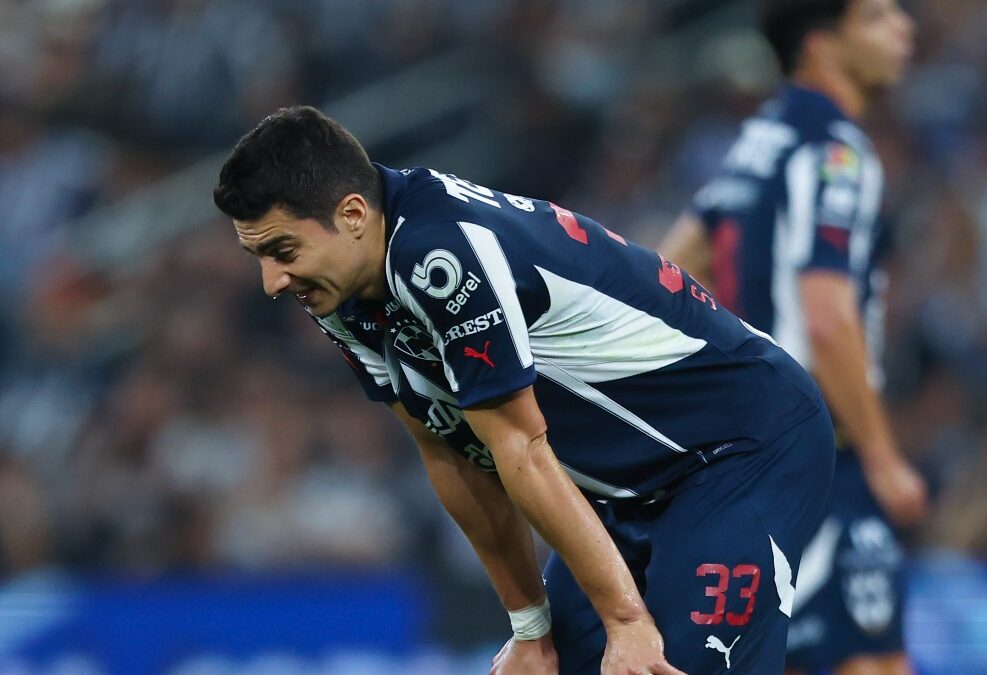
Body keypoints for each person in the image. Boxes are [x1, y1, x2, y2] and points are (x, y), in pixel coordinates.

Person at [214, 104, 835, 674]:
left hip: (741, 450)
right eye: (260, 258)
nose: (273, 281)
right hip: (630, 492)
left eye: (283, 250)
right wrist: (531, 630)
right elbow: (447, 451)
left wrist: (624, 621)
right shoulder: (340, 291)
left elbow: (522, 450)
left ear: (351, 214)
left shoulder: (441, 256)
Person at [659, 1, 928, 673]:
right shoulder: (836, 151)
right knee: (872, 663)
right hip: (822, 449)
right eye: (876, 17)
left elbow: (671, 266)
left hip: (753, 450)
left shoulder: (761, 138)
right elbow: (827, 316)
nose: (904, 29)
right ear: (820, 46)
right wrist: (883, 454)